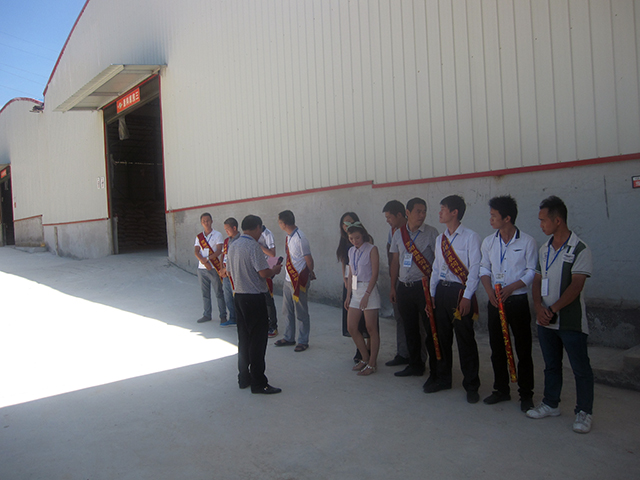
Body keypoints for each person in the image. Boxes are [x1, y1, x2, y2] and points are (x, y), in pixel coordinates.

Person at [527, 196, 594, 434]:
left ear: (558, 220)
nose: (541, 225)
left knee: (580, 368)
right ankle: (550, 403)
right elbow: (537, 280)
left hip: (570, 321)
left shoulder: (580, 249)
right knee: (551, 365)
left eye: (543, 220)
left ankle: (584, 412)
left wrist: (553, 309)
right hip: (545, 320)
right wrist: (538, 306)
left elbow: (576, 286)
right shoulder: (544, 249)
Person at [479, 195, 537, 412]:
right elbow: (484, 269)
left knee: (523, 348)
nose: (491, 219)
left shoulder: (527, 241)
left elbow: (531, 271)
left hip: (517, 301)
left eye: (494, 216)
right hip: (495, 302)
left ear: (507, 218)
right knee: (497, 348)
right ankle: (501, 389)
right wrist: (490, 293)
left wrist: (512, 287)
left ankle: (526, 394)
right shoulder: (489, 242)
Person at [428, 195, 482, 404]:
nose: (440, 212)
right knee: (442, 338)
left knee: (465, 340)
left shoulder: (471, 237)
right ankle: (443, 378)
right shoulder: (440, 239)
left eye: (443, 209)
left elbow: (475, 269)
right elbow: (435, 269)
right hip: (442, 291)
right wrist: (432, 295)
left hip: (460, 293)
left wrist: (467, 296)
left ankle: (472, 385)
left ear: (454, 212)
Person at [226, 214, 283, 394]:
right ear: (257, 227)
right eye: (260, 230)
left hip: (239, 297)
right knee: (258, 341)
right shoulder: (253, 246)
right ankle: (259, 382)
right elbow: (263, 273)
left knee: (244, 339)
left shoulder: (233, 245)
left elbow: (228, 271)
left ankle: (244, 377)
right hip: (254, 298)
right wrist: (274, 270)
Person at [389, 198, 439, 380]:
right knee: (409, 328)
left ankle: (436, 369)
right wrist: (393, 287)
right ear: (408, 213)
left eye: (424, 211)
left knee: (429, 328)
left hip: (423, 286)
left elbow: (438, 262)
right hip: (404, 286)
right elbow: (395, 261)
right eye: (418, 211)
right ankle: (415, 364)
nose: (422, 215)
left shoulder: (432, 233)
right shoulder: (398, 234)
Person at [274, 210, 315, 352]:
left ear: (283, 223)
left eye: (279, 222)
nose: (279, 224)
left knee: (301, 312)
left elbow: (309, 259)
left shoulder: (300, 237)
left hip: (299, 280)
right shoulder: (289, 237)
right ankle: (289, 337)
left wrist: (310, 273)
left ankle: (303, 340)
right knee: (287, 310)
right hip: (288, 279)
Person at [344, 222, 381, 376]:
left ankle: (372, 363)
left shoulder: (372, 249)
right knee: (351, 327)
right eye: (351, 238)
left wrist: (367, 294)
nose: (355, 241)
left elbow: (375, 273)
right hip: (355, 290)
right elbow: (350, 273)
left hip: (368, 290)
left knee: (371, 328)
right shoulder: (351, 251)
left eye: (357, 238)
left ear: (363, 235)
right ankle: (364, 358)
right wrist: (348, 295)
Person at [337, 212, 368, 363]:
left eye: (349, 222)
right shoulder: (344, 241)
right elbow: (344, 261)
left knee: (364, 318)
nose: (346, 225)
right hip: (350, 282)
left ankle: (367, 350)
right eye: (344, 223)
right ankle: (360, 349)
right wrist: (345, 278)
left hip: (363, 282)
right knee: (351, 315)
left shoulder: (363, 240)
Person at [382, 200, 410, 367]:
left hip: (413, 281)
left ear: (400, 215)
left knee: (415, 321)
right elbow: (391, 256)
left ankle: (416, 357)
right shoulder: (393, 232)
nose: (387, 221)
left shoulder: (413, 231)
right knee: (400, 318)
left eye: (389, 217)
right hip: (398, 279)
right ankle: (402, 353)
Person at [194, 212, 230, 326]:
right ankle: (207, 314)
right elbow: (196, 251)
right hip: (201, 268)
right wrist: (203, 260)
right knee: (205, 293)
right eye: (204, 221)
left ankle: (223, 316)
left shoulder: (217, 235)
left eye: (208, 221)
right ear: (201, 223)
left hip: (214, 268)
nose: (206, 223)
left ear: (212, 221)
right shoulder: (199, 237)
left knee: (219, 292)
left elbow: (219, 251)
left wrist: (208, 259)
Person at [258, 223, 279, 338]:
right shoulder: (253, 234)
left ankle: (273, 326)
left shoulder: (267, 234)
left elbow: (272, 253)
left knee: (268, 298)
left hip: (267, 268)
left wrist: (259, 246)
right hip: (257, 268)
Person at [220, 217, 241, 327]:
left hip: (236, 274)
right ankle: (233, 318)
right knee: (227, 296)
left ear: (234, 228)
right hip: (226, 274)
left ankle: (240, 318)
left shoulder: (241, 240)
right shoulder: (227, 241)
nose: (226, 231)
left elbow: (238, 259)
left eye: (227, 229)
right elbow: (223, 255)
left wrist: (227, 269)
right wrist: (221, 269)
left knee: (237, 297)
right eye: (225, 229)